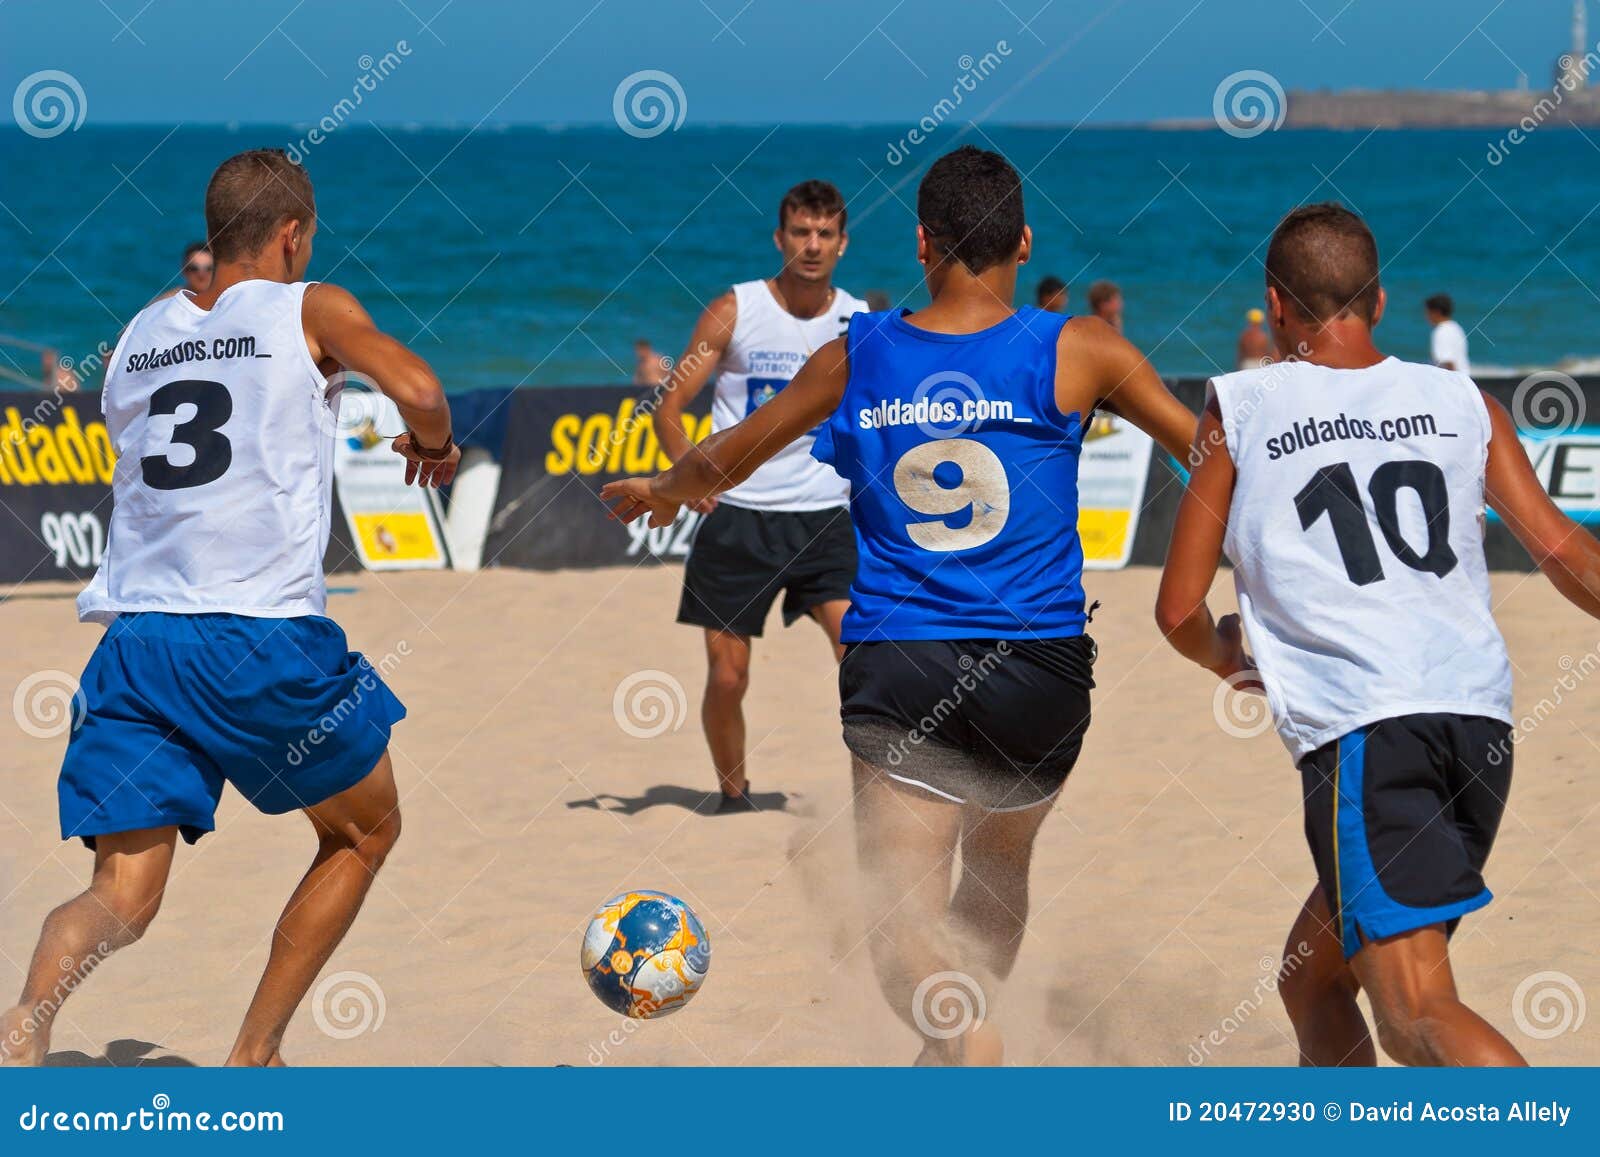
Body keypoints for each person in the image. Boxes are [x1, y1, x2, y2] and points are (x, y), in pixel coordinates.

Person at [607, 146, 1196, 1062]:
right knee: (997, 867)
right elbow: (1212, 456)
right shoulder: (1082, 346)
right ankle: (954, 1050)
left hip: (909, 662)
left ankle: (962, 1037)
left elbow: (731, 454)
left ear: (921, 242)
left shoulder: (862, 352)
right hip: (1039, 666)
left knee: (899, 933)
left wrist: (661, 489)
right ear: (1025, 240)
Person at [0, 149, 459, 1068]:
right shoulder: (310, 305)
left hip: (135, 642)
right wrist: (434, 447)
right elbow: (418, 389)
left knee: (120, 898)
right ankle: (254, 1054)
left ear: (214, 234)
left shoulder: (139, 334)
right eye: (308, 239)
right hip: (254, 635)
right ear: (292, 236)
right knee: (367, 828)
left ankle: (19, 1040)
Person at [1157, 202, 1600, 1067]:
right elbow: (1562, 548)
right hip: (1480, 729)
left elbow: (1177, 609)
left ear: (1275, 306)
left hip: (1370, 733)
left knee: (1416, 1011)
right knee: (1311, 980)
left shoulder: (1242, 404)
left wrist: (1232, 661)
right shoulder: (1460, 399)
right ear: (1381, 302)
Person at [649, 179, 868, 814]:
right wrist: (689, 474)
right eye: (801, 232)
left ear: (842, 243)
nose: (812, 244)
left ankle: (877, 791)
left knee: (860, 660)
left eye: (825, 233)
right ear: (780, 239)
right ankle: (734, 793)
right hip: (740, 515)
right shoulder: (735, 310)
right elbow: (670, 409)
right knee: (728, 675)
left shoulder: (856, 322)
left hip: (825, 517)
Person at [1425, 293, 1470, 376]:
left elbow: (1448, 363)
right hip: (1464, 379)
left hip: (1454, 382)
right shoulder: (1456, 327)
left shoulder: (1441, 331)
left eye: (1428, 312)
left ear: (1436, 312)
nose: (1426, 316)